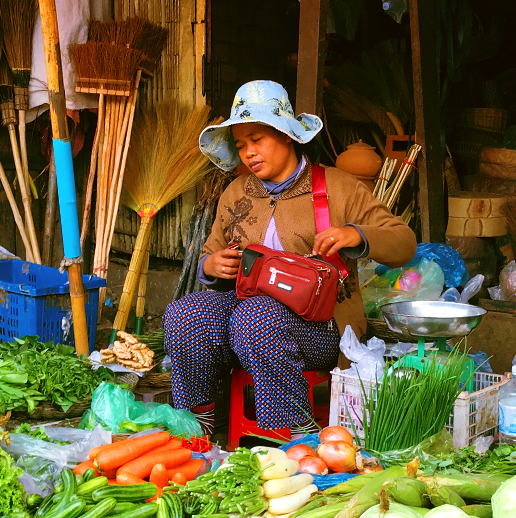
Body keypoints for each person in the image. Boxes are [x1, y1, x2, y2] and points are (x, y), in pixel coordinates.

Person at [163, 80, 416, 436]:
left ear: (286, 135)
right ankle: (197, 428)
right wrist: (211, 265)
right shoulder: (236, 192)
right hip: (244, 322)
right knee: (185, 314)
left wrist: (355, 234)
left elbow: (404, 242)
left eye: (257, 139)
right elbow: (210, 252)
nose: (249, 152)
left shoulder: (338, 187)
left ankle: (295, 436)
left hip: (322, 328)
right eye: (240, 145)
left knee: (256, 318)